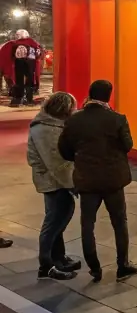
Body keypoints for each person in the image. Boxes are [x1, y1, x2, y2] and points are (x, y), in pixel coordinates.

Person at [57, 79, 137, 283]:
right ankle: (123, 265)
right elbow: (128, 145)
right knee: (119, 222)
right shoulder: (117, 119)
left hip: (87, 180)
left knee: (87, 224)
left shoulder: (74, 120)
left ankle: (94, 268)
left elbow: (64, 149)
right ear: (109, 96)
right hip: (113, 179)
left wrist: (81, 158)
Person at [27, 91, 82, 280]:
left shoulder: (52, 125)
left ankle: (59, 257)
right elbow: (56, 163)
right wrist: (73, 183)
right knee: (54, 221)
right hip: (52, 181)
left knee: (58, 217)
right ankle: (47, 265)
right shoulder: (45, 130)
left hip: (54, 179)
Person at [1, 28, 43, 106]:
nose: (16, 36)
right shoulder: (33, 43)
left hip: (21, 63)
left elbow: (10, 54)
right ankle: (28, 99)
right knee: (27, 81)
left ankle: (19, 99)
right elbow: (38, 53)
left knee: (20, 81)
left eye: (18, 34)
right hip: (29, 63)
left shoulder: (15, 44)